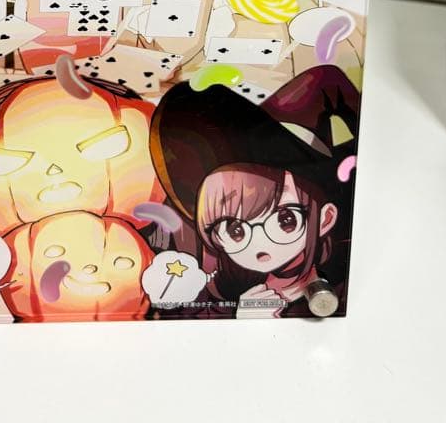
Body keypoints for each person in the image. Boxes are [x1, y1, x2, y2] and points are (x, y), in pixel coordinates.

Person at [149, 66, 359, 318]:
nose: (260, 244)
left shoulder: (346, 273)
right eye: (235, 230)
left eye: (285, 220)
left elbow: (327, 78)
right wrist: (243, 316)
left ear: (325, 218)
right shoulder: (218, 284)